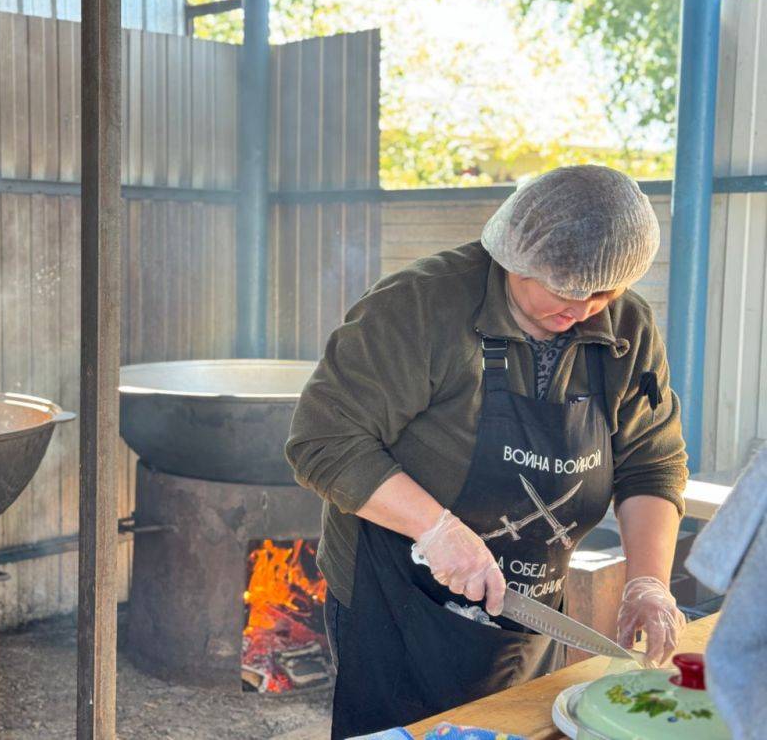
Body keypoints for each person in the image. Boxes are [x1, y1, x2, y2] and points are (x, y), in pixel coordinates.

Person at [284, 165, 689, 739]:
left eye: (603, 292)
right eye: (565, 291)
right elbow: (323, 439)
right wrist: (436, 530)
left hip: (530, 608)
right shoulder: (417, 306)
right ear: (512, 254)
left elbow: (651, 460)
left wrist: (649, 581)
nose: (584, 310)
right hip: (399, 601)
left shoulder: (627, 328)